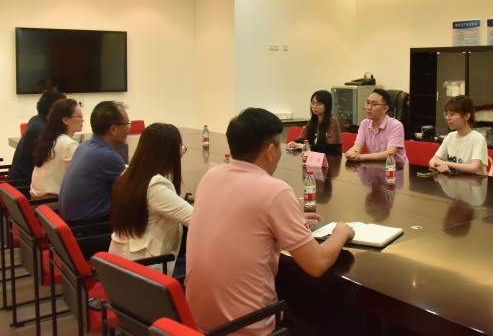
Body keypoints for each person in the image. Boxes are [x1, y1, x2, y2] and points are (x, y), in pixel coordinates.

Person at [186, 108, 354, 336]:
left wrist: (285, 222)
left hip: (197, 324)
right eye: (279, 146)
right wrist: (341, 232)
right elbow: (317, 264)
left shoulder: (211, 176)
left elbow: (245, 220)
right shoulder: (275, 191)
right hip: (249, 328)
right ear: (270, 151)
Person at [109, 123, 192, 269]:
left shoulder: (128, 174)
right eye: (181, 148)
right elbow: (197, 220)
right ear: (168, 153)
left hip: (120, 264)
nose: (181, 153)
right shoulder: (155, 185)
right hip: (145, 268)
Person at [59, 101, 130, 222]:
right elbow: (136, 188)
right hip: (90, 227)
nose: (128, 129)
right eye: (127, 124)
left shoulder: (84, 146)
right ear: (113, 129)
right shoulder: (107, 156)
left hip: (70, 222)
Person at [9, 90, 67, 183]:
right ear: (54, 111)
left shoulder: (36, 120)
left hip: (18, 181)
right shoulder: (43, 130)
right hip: (25, 185)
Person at [29, 98, 83, 197]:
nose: (82, 120)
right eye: (80, 116)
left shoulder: (51, 139)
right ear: (65, 120)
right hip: (52, 201)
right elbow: (81, 179)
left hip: (38, 200)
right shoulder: (68, 145)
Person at [428, 95, 488, 175]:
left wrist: (446, 163)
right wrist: (438, 166)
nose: (447, 118)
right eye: (446, 114)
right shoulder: (450, 136)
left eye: (452, 114)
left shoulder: (478, 139)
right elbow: (432, 161)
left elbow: (473, 167)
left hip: (473, 182)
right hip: (453, 180)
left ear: (466, 116)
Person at [344, 89, 407, 164]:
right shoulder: (364, 124)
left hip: (396, 167)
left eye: (374, 104)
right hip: (375, 166)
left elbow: (390, 153)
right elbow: (357, 146)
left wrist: (360, 157)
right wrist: (351, 153)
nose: (368, 107)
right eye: (368, 103)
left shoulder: (396, 125)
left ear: (385, 109)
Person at [287, 90, 342, 154]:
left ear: (327, 105)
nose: (315, 107)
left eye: (319, 104)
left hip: (330, 157)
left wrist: (307, 146)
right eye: (313, 103)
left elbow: (332, 147)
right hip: (313, 156)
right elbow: (302, 138)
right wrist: (295, 143)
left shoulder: (332, 120)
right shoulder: (313, 120)